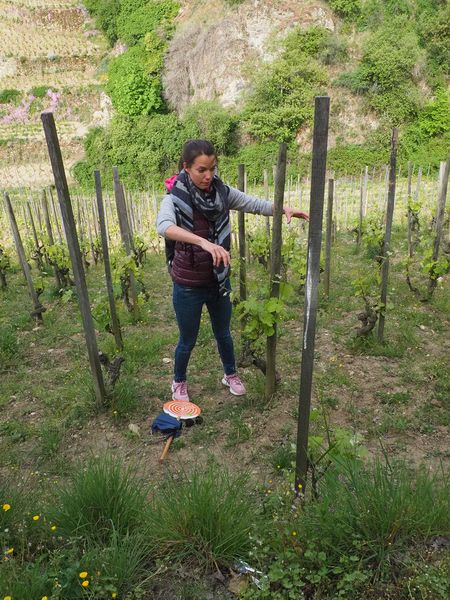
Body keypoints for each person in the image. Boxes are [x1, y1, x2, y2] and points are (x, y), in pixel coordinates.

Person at [156, 139, 308, 401]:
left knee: (224, 333)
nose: (208, 175)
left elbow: (254, 204)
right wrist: (203, 241)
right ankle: (178, 381)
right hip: (188, 284)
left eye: (212, 168)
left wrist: (284, 208)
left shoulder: (222, 192)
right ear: (186, 168)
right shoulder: (173, 198)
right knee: (187, 339)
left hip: (218, 279)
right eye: (201, 170)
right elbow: (164, 227)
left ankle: (230, 374)